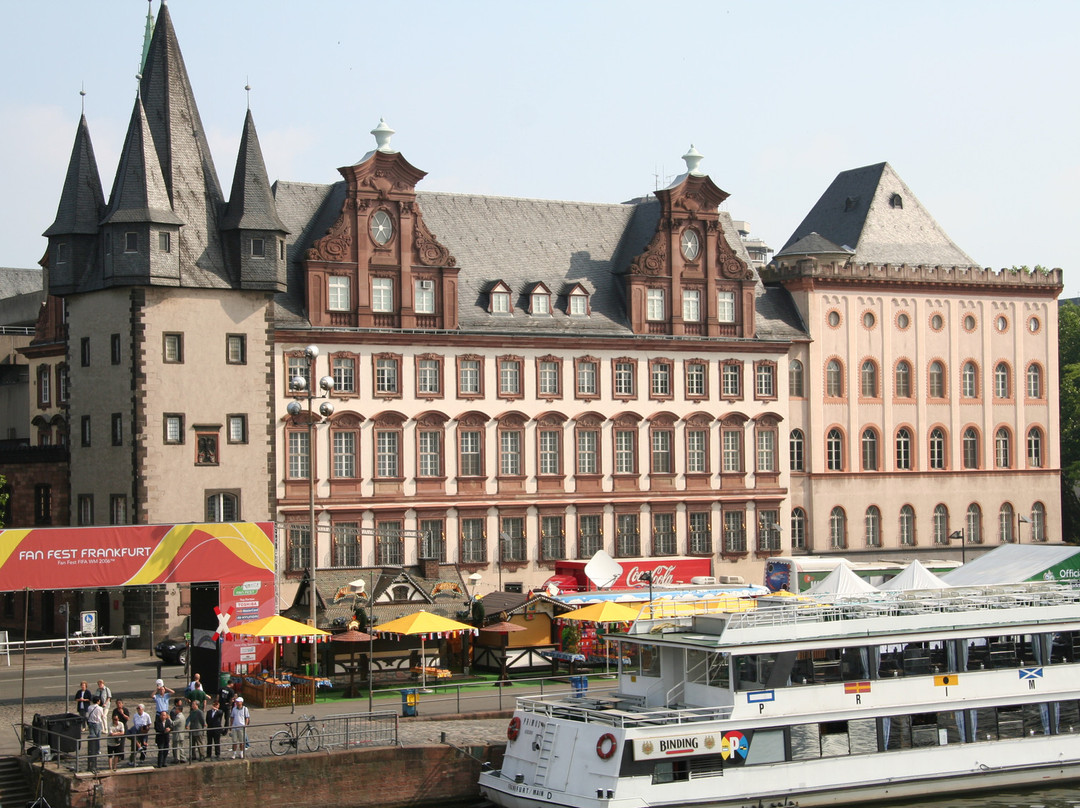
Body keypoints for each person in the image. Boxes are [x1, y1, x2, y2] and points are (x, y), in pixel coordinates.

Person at [86, 695, 104, 771]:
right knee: (98, 737)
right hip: (97, 723)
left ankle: (92, 750)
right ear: (98, 701)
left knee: (92, 737)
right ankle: (97, 750)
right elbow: (102, 716)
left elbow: (87, 715)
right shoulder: (100, 708)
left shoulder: (89, 707)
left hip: (90, 723)